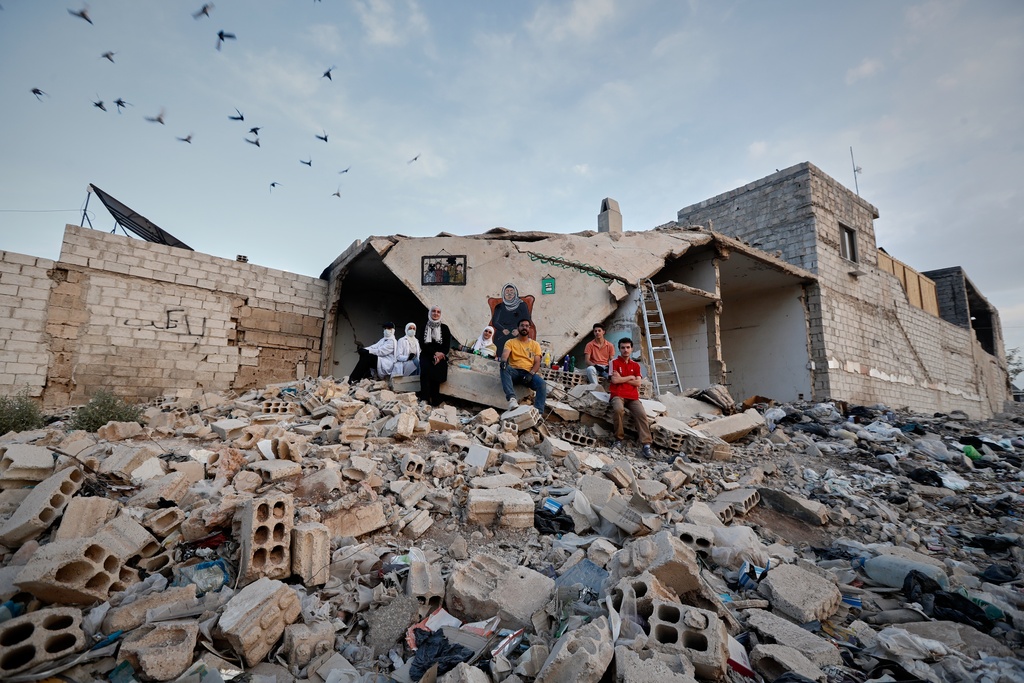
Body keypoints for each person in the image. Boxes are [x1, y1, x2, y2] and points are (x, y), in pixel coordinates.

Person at [609, 337, 653, 458]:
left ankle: (646, 445)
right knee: (618, 409)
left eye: (628, 347)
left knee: (641, 414)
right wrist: (630, 378)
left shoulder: (636, 365)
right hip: (617, 395)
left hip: (633, 397)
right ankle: (618, 439)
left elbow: (638, 383)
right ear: (619, 349)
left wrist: (622, 379)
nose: (625, 350)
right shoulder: (614, 363)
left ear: (632, 349)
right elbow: (614, 380)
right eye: (623, 347)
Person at [500, 319, 546, 414]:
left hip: (528, 374)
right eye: (522, 325)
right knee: (504, 368)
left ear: (529, 328)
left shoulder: (535, 344)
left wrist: (531, 374)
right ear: (518, 328)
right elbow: (505, 354)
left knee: (542, 384)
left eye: (526, 326)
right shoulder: (510, 342)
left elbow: (537, 362)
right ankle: (512, 399)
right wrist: (503, 361)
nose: (524, 327)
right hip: (514, 372)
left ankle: (539, 412)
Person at [419, 305, 452, 405]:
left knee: (437, 374)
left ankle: (435, 399)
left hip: (440, 356)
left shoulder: (445, 328)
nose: (436, 314)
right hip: (427, 354)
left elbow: (446, 346)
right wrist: (434, 353)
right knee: (425, 372)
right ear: (430, 313)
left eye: (438, 312)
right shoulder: (424, 326)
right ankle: (424, 398)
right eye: (434, 311)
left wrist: (440, 354)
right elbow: (422, 343)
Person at [491, 283, 531, 356]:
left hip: (517, 330)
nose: (509, 294)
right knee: (501, 344)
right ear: (503, 294)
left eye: (511, 292)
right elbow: (495, 322)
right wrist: (503, 329)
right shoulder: (499, 307)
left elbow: (527, 320)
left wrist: (518, 330)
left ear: (515, 293)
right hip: (503, 331)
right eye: (507, 292)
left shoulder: (522, 305)